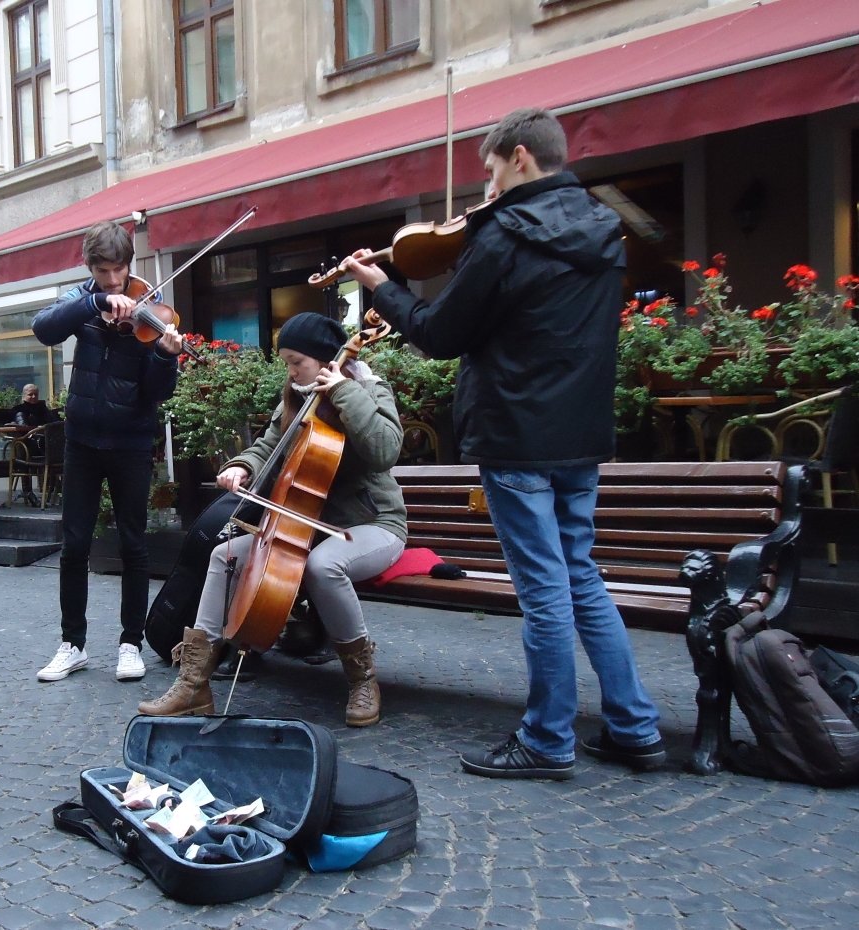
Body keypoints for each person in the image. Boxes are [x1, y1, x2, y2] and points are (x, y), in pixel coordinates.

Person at [341, 107, 665, 777]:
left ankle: (547, 740)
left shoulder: (505, 235)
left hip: (518, 436)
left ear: (519, 157)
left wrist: (381, 286)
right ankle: (634, 726)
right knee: (580, 578)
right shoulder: (606, 229)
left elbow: (438, 334)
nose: (484, 187)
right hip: (579, 437)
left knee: (546, 589)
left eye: (489, 170)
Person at [137, 312, 407, 727]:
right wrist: (242, 466)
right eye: (287, 362)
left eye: (297, 361)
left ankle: (362, 679)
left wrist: (345, 391)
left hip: (373, 526)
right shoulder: (298, 398)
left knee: (323, 566)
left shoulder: (369, 387)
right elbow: (267, 445)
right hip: (307, 526)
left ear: (324, 358)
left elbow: (385, 450)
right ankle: (193, 684)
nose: (292, 370)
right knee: (225, 554)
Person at [31, 221, 182, 684]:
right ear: (90, 267)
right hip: (82, 440)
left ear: (129, 265)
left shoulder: (150, 309)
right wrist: (95, 302)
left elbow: (158, 393)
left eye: (119, 271)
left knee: (134, 545)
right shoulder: (83, 302)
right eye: (103, 272)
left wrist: (165, 355)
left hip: (131, 443)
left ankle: (130, 645)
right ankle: (71, 644)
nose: (114, 282)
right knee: (74, 545)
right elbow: (44, 329)